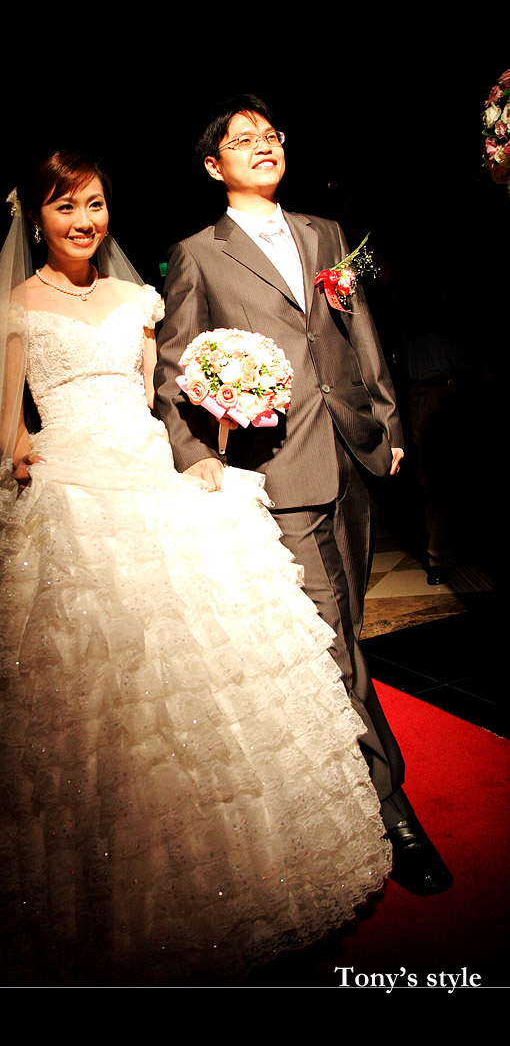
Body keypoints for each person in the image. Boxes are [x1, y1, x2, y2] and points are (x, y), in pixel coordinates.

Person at [0, 149, 392, 986]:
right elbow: (3, 424)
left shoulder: (139, 299)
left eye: (95, 204)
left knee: (208, 656)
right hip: (72, 479)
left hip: (147, 470)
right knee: (91, 682)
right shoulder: (9, 310)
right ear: (36, 217)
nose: (84, 221)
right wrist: (24, 457)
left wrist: (216, 419)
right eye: (66, 206)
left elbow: (154, 400)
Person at [154, 95, 452, 897]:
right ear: (213, 165)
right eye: (242, 139)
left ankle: (333, 769)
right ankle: (391, 808)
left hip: (353, 448)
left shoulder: (324, 233)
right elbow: (174, 370)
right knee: (335, 637)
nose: (263, 145)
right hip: (279, 467)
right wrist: (194, 454)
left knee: (344, 626)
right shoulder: (199, 254)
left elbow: (359, 329)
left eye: (271, 135)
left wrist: (388, 418)